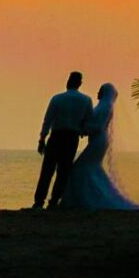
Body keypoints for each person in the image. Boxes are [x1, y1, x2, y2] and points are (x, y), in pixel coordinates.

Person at [58, 82, 139, 210]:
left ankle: (87, 199)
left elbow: (99, 126)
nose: (98, 93)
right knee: (91, 168)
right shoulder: (103, 105)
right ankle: (87, 197)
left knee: (80, 168)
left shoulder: (106, 107)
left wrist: (82, 129)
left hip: (99, 140)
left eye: (100, 90)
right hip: (97, 140)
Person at [34, 71, 93, 209]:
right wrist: (82, 131)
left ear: (68, 81)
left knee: (47, 170)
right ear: (80, 83)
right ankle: (54, 201)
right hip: (72, 138)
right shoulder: (86, 100)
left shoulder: (57, 98)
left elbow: (47, 120)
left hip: (56, 136)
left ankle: (39, 201)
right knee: (63, 171)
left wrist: (42, 138)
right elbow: (88, 122)